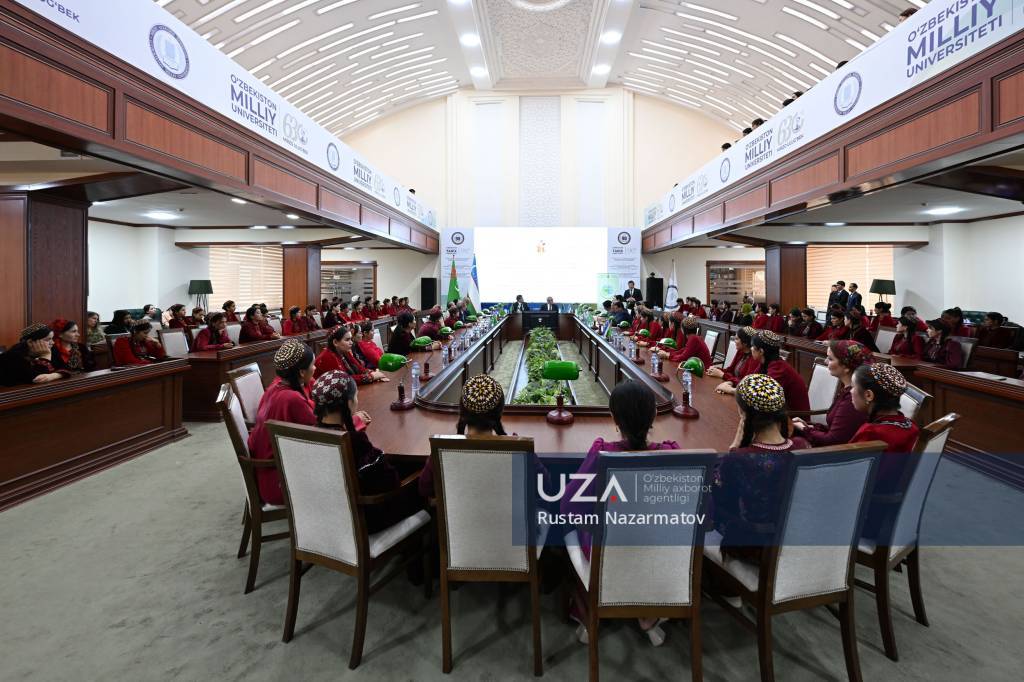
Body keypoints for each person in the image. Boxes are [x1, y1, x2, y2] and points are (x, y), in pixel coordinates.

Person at [561, 380, 679, 646]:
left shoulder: (603, 453)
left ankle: (589, 611)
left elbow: (569, 507)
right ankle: (648, 613)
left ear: (614, 419)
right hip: (660, 554)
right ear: (654, 415)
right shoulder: (671, 454)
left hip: (607, 553)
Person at [713, 374, 810, 565]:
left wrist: (734, 447)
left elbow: (721, 499)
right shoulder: (803, 446)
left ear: (743, 413)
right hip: (798, 542)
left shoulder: (741, 459)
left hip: (754, 547)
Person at [309, 370, 421, 532]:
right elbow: (389, 481)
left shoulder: (311, 435)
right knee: (422, 476)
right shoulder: (354, 440)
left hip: (331, 516)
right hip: (367, 519)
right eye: (355, 396)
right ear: (348, 403)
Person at [849, 363, 920, 539]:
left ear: (868, 395)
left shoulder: (872, 433)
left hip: (866, 518)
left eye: (853, 387)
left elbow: (848, 476)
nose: (850, 391)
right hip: (892, 515)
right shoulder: (911, 426)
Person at [246, 341, 318, 506]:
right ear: (301, 372)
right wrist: (354, 420)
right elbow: (325, 432)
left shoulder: (275, 387)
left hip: (267, 474)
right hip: (280, 480)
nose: (315, 369)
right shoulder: (291, 398)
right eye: (312, 365)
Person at [791, 340, 872, 447]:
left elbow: (832, 441)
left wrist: (804, 429)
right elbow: (836, 430)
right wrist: (810, 427)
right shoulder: (847, 390)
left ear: (846, 367)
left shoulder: (853, 399)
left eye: (830, 358)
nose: (825, 361)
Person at [751, 331, 810, 412]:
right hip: (776, 412)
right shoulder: (766, 363)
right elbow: (751, 383)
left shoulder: (778, 369)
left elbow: (766, 398)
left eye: (752, 346)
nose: (751, 349)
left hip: (793, 417)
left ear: (761, 351)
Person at [314, 325, 388, 384]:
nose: (351, 342)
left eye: (351, 339)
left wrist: (373, 373)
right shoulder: (327, 356)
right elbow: (343, 380)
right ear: (335, 342)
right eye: (347, 340)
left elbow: (360, 368)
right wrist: (371, 377)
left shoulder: (344, 351)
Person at [0, 323, 69, 386]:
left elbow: (66, 368)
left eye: (52, 339)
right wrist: (45, 356)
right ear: (30, 342)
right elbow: (35, 379)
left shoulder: (52, 348)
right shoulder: (12, 356)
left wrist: (53, 376)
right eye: (48, 339)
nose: (53, 342)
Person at [709, 326, 760, 393]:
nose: (734, 341)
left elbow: (745, 383)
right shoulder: (740, 351)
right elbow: (730, 370)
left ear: (745, 343)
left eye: (737, 339)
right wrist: (716, 369)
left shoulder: (754, 359)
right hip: (731, 385)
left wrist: (723, 375)